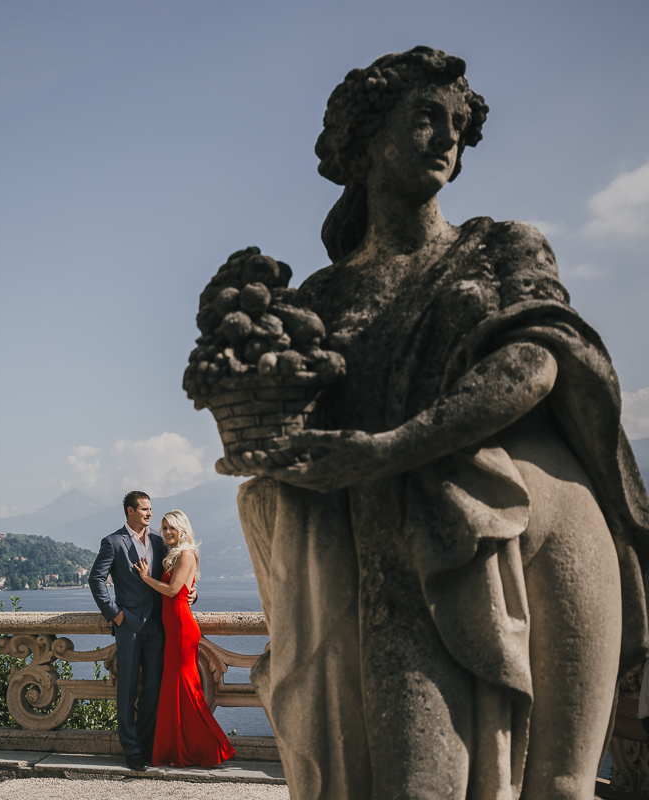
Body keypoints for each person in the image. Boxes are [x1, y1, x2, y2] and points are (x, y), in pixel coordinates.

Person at [235, 46, 649, 800]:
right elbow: (290, 434)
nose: (446, 138)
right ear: (365, 141)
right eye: (424, 118)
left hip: (551, 522)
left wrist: (389, 449)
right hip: (406, 552)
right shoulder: (321, 300)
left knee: (560, 787)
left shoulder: (501, 247)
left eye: (457, 124)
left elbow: (537, 362)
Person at [89, 491, 195, 771]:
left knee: (153, 687)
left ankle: (147, 743)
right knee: (126, 690)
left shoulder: (161, 543)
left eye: (151, 509)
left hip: (158, 627)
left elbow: (176, 579)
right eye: (144, 509)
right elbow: (96, 580)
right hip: (129, 627)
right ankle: (132, 749)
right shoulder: (113, 542)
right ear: (129, 511)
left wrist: (191, 593)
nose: (150, 514)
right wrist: (116, 614)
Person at [134, 509, 235, 768]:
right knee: (176, 689)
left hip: (181, 628)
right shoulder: (176, 554)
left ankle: (213, 745)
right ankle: (178, 747)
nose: (166, 532)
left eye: (171, 528)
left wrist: (146, 579)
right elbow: (183, 588)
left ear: (182, 530)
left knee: (187, 689)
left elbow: (171, 590)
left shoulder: (186, 554)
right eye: (164, 527)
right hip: (174, 628)